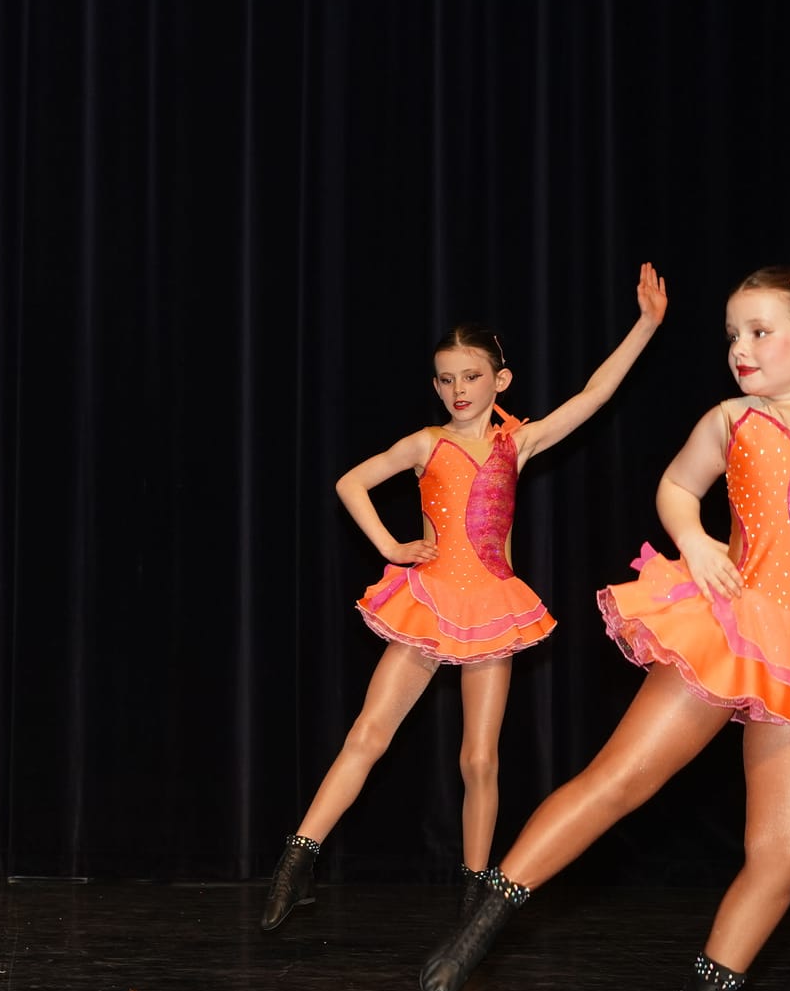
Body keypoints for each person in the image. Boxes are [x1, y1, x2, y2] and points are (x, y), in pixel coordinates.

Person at [418, 99, 790, 991]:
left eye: (759, 331)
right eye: (731, 332)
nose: (740, 347)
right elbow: (673, 486)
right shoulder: (727, 420)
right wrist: (693, 537)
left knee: (783, 848)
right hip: (728, 625)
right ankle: (478, 925)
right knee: (617, 781)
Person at [260, 267, 667, 931]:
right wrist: (391, 545)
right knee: (368, 732)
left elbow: (594, 395)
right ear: (435, 385)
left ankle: (475, 888)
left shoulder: (517, 442)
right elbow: (350, 482)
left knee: (479, 757)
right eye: (446, 379)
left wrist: (645, 325)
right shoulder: (427, 444)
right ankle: (297, 860)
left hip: (491, 609)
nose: (458, 389)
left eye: (471, 377)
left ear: (500, 380)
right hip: (429, 599)